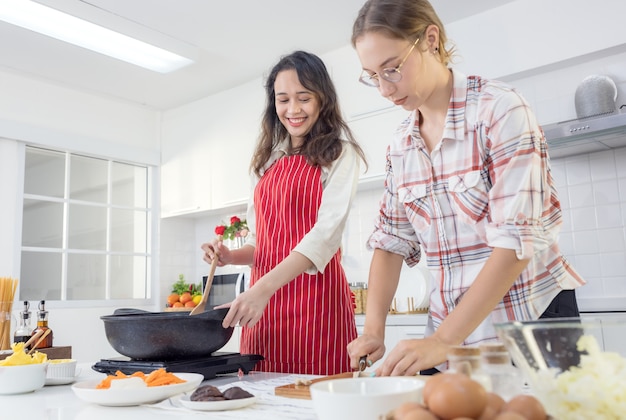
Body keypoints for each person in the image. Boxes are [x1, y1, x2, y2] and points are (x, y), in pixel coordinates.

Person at [346, 0, 586, 376]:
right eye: (372, 75)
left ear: (430, 40)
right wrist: (374, 328)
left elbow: (515, 242)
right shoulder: (401, 145)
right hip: (450, 333)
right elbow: (391, 241)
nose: (383, 89)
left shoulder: (500, 111)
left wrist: (442, 341)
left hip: (531, 323)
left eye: (392, 69)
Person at [201, 51, 368, 375]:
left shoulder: (340, 155)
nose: (293, 109)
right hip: (263, 311)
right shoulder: (265, 162)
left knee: (319, 401)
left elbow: (324, 237)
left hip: (315, 306)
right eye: (283, 99)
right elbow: (263, 244)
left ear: (322, 99)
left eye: (303, 98)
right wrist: (229, 257)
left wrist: (261, 289)